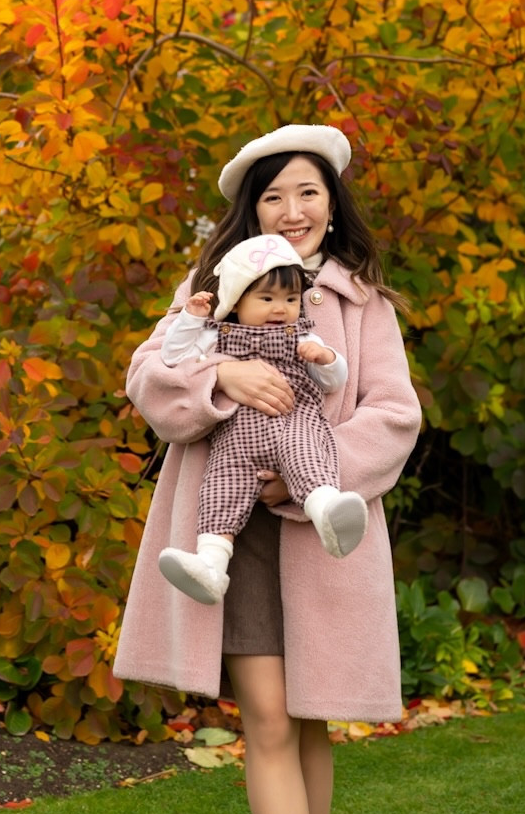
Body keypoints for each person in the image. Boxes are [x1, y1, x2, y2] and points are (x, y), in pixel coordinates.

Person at [113, 124, 421, 814]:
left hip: (323, 533)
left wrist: (313, 471)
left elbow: (394, 413)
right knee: (271, 720)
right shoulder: (212, 289)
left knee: (313, 720)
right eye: (275, 195)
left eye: (308, 192)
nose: (293, 210)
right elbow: (149, 378)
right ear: (252, 210)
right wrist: (228, 377)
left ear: (332, 202)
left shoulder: (364, 303)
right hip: (233, 534)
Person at [156, 232, 368, 604]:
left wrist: (326, 359)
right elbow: (173, 357)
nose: (280, 309)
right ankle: (210, 564)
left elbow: (335, 381)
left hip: (292, 422)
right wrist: (191, 319)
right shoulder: (214, 336)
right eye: (266, 299)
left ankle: (328, 511)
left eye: (290, 299)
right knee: (220, 489)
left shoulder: (303, 337)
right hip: (235, 443)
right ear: (237, 301)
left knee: (306, 456)